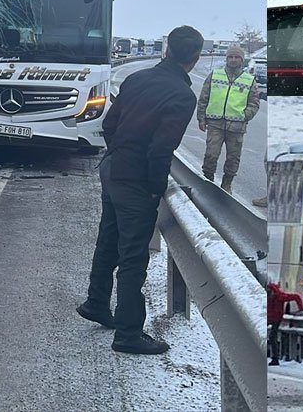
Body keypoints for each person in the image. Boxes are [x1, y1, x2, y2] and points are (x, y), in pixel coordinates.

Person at [78, 25, 204, 355]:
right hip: (136, 180)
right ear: (194, 58)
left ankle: (96, 303)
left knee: (109, 239)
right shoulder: (182, 95)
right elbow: (161, 150)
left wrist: (119, 156)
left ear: (166, 49)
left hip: (113, 169)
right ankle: (128, 334)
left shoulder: (136, 80)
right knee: (134, 256)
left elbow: (109, 125)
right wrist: (154, 189)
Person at [197, 45, 260, 193]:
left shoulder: (249, 80)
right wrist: (201, 118)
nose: (233, 60)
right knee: (211, 155)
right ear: (226, 58)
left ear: (242, 60)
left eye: (236, 57)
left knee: (233, 158)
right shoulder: (215, 75)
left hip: (237, 127)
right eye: (230, 57)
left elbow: (254, 103)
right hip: (215, 124)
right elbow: (203, 98)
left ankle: (227, 184)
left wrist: (245, 116)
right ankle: (207, 181)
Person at [267, 283, 302, 366]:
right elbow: (296, 297)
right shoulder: (277, 296)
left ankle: (275, 358)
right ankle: (275, 357)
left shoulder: (280, 297)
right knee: (272, 337)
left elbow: (296, 296)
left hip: (275, 319)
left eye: (269, 292)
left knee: (272, 336)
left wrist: (301, 308)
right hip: (271, 318)